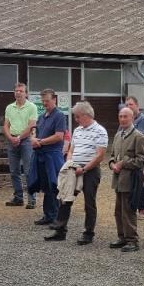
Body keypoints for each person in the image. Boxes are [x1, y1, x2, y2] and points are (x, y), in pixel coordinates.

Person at [45, 101, 107, 244]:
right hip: (74, 168)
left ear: (86, 115)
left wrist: (84, 169)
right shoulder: (77, 130)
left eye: (77, 116)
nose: (76, 119)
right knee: (65, 198)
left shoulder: (100, 131)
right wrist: (69, 163)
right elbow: (71, 150)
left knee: (89, 202)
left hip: (90, 171)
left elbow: (100, 155)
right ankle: (60, 230)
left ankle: (88, 233)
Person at [107, 107, 144, 252]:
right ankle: (122, 237)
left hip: (131, 180)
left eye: (126, 116)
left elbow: (142, 160)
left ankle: (132, 240)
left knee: (128, 211)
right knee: (118, 211)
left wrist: (123, 163)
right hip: (118, 180)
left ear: (132, 118)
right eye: (120, 116)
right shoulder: (118, 135)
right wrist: (112, 164)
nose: (123, 119)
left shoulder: (138, 137)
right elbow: (112, 156)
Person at [28, 89, 68, 226]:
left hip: (53, 156)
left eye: (47, 101)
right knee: (45, 186)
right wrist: (33, 139)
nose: (45, 103)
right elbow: (35, 132)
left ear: (54, 99)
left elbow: (59, 136)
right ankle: (48, 215)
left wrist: (40, 142)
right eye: (43, 101)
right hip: (41, 156)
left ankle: (57, 217)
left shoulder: (60, 116)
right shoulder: (41, 117)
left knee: (54, 185)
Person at [4, 82, 38, 209]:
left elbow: (31, 125)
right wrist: (10, 137)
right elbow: (6, 125)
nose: (18, 93)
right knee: (14, 171)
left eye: (21, 91)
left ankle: (32, 199)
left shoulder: (32, 107)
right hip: (12, 140)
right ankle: (18, 198)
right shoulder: (9, 107)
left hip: (26, 140)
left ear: (26, 94)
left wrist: (18, 138)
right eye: (16, 91)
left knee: (28, 171)